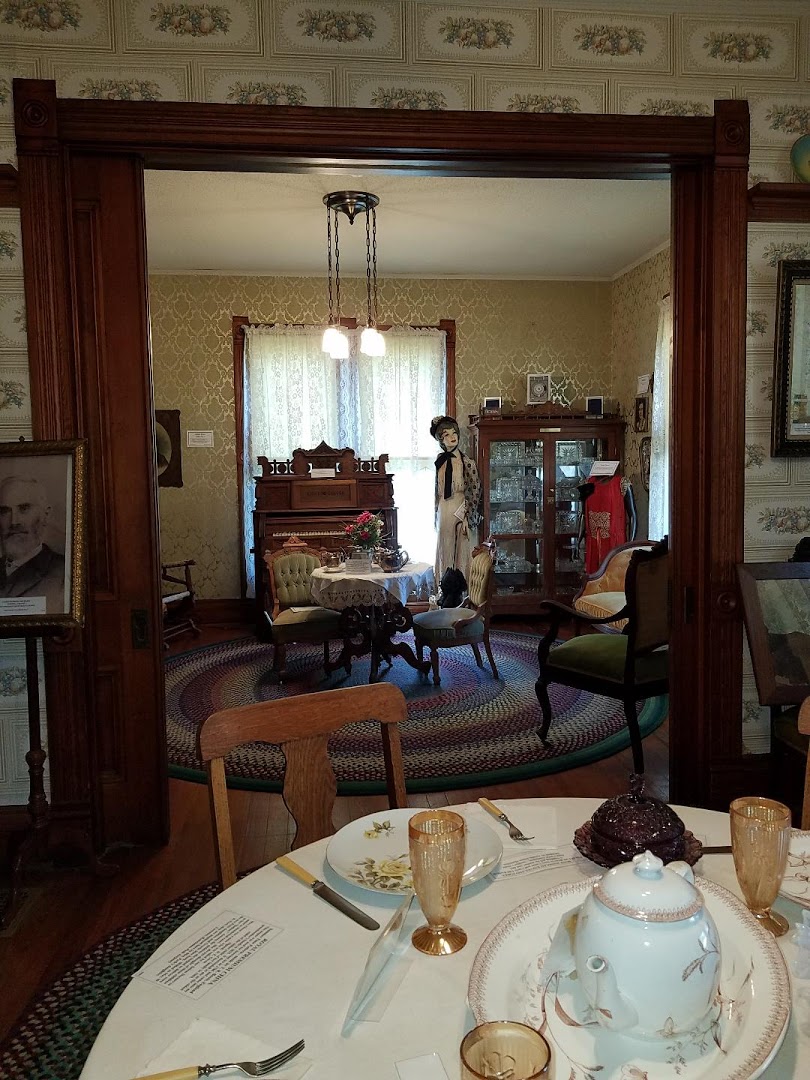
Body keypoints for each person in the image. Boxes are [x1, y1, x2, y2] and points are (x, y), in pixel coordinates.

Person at [0, 474, 66, 613]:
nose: (14, 521)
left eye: (24, 508)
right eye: (4, 511)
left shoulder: (64, 572)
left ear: (45, 515)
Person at [430, 415, 481, 591]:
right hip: (444, 509)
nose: (452, 437)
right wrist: (435, 513)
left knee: (462, 549)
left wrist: (468, 516)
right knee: (445, 547)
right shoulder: (439, 461)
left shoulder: (467, 463)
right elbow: (436, 490)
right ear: (440, 440)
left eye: (454, 433)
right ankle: (444, 590)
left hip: (461, 508)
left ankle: (462, 592)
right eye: (446, 435)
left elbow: (475, 490)